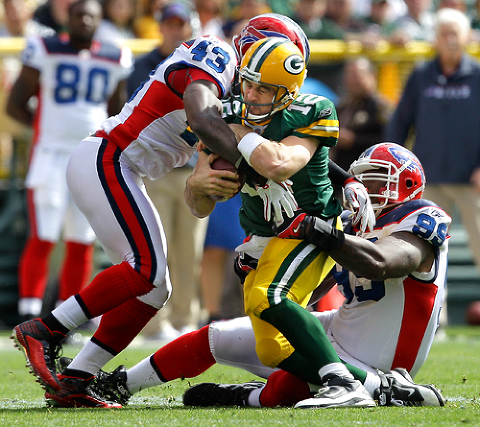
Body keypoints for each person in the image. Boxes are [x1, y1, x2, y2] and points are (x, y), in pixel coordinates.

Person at [10, 25, 267, 408]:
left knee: (155, 288)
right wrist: (256, 165)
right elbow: (199, 116)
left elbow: (196, 198)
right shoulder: (218, 58)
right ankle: (46, 328)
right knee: (146, 268)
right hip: (109, 157)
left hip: (126, 168)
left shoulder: (235, 103)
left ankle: (76, 379)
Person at [87, 142, 448, 409]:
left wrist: (324, 233)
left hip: (378, 355)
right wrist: (259, 269)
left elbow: (386, 263)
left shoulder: (419, 218)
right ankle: (119, 385)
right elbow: (308, 286)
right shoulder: (351, 225)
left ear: (408, 186)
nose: (366, 191)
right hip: (338, 331)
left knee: (285, 391)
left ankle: (371, 387)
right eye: (362, 180)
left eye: (377, 181)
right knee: (216, 337)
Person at [6, 0, 132, 322]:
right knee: (43, 236)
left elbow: (115, 112)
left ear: (99, 21)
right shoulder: (45, 49)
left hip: (88, 158)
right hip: (50, 156)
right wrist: (45, 131)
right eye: (79, 15)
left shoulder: (114, 57)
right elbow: (16, 104)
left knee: (81, 239)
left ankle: (70, 317)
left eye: (91, 15)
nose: (85, 20)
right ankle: (28, 312)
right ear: (69, 19)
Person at [385, 9, 480, 298]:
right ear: (435, 39)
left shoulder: (478, 74)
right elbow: (400, 122)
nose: (450, 40)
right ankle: (435, 319)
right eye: (444, 34)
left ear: (466, 37)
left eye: (455, 33)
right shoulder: (421, 75)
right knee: (429, 252)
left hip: (471, 179)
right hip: (428, 180)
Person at [126, 1, 206, 340]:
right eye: (171, 24)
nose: (176, 30)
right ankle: (153, 321)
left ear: (189, 27)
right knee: (157, 248)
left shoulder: (198, 63)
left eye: (181, 24)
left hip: (189, 167)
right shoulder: (144, 63)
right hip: (156, 168)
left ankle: (185, 317)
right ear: (160, 26)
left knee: (190, 250)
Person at [331, 56, 392, 172]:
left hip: (372, 177)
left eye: (356, 75)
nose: (352, 80)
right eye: (348, 75)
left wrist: (354, 140)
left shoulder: (382, 108)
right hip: (342, 177)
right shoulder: (341, 107)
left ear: (372, 76)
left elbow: (390, 142)